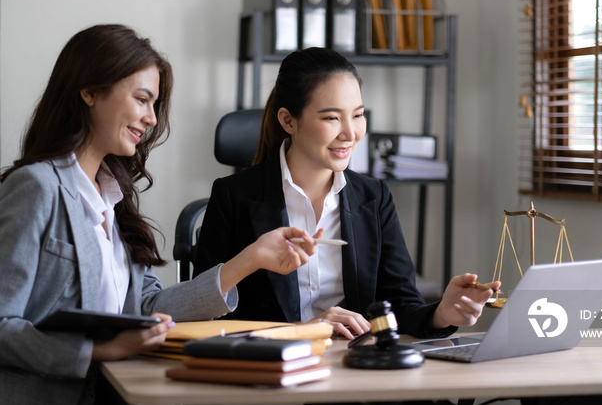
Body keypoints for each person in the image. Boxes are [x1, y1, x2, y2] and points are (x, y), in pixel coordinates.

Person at [0, 24, 317, 405]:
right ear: (89, 92)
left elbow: (148, 308)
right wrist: (97, 350)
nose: (151, 118)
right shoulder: (37, 187)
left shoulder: (113, 197)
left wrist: (252, 259)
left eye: (154, 105)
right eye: (141, 99)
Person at [193, 46, 500, 340]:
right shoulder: (233, 197)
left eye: (357, 115)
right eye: (331, 117)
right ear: (289, 121)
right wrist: (306, 331)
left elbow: (400, 306)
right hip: (273, 374)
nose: (351, 133)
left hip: (354, 367)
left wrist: (442, 313)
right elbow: (208, 316)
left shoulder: (373, 197)